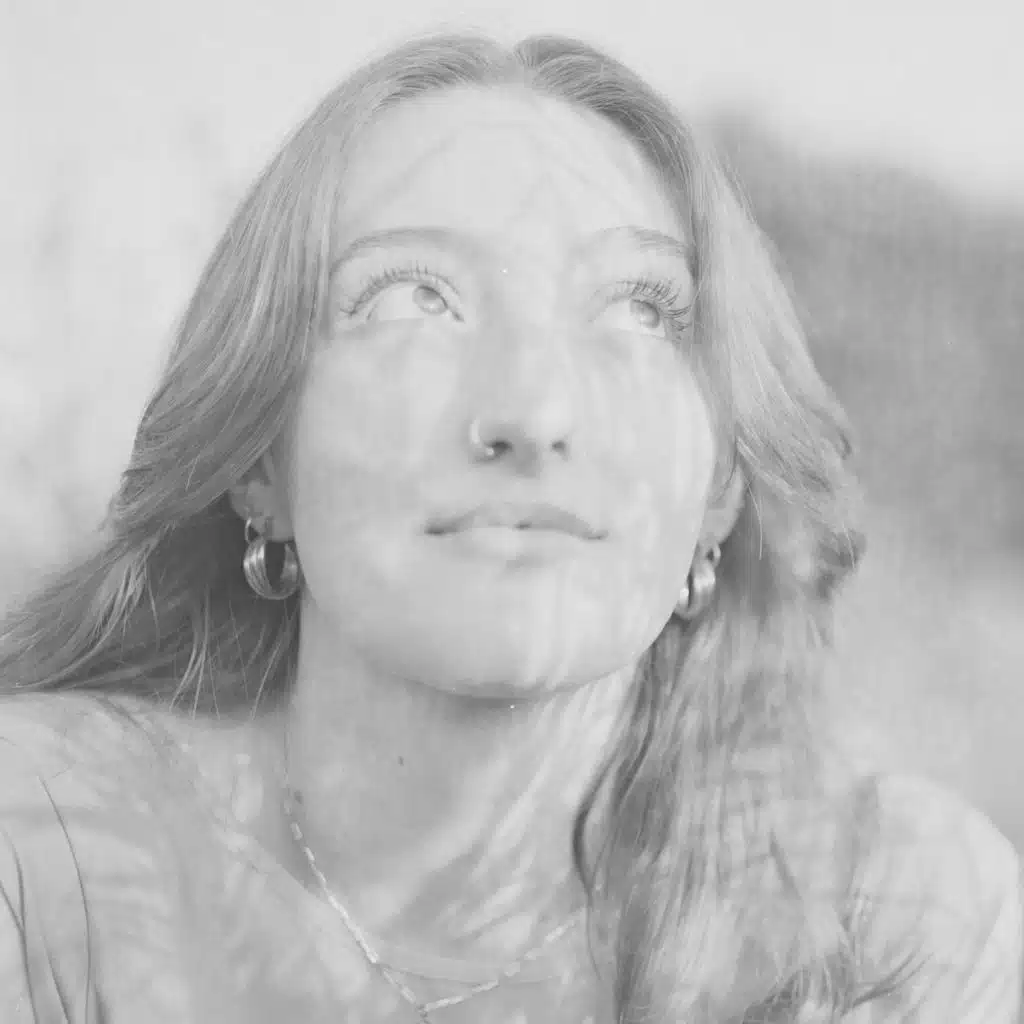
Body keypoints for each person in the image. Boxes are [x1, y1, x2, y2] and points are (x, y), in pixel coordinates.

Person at [0, 29, 1018, 1024]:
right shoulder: (43, 850)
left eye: (641, 309)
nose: (532, 414)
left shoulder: (891, 917)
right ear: (258, 461)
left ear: (718, 489)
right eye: (412, 298)